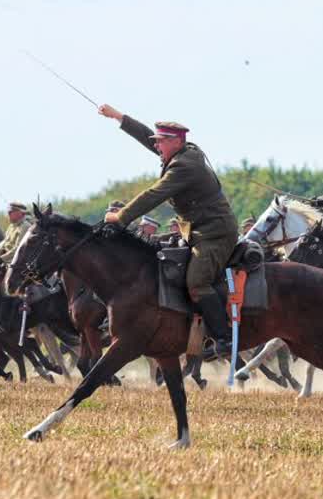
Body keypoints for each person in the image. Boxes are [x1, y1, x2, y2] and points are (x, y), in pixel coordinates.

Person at [98, 103, 240, 353]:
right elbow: (147, 137)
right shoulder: (180, 154)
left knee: (197, 283)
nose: (156, 146)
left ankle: (224, 338)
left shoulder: (184, 166)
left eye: (160, 142)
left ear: (175, 142)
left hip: (214, 234)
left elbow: (154, 194)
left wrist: (120, 217)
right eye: (156, 142)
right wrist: (118, 117)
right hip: (196, 232)